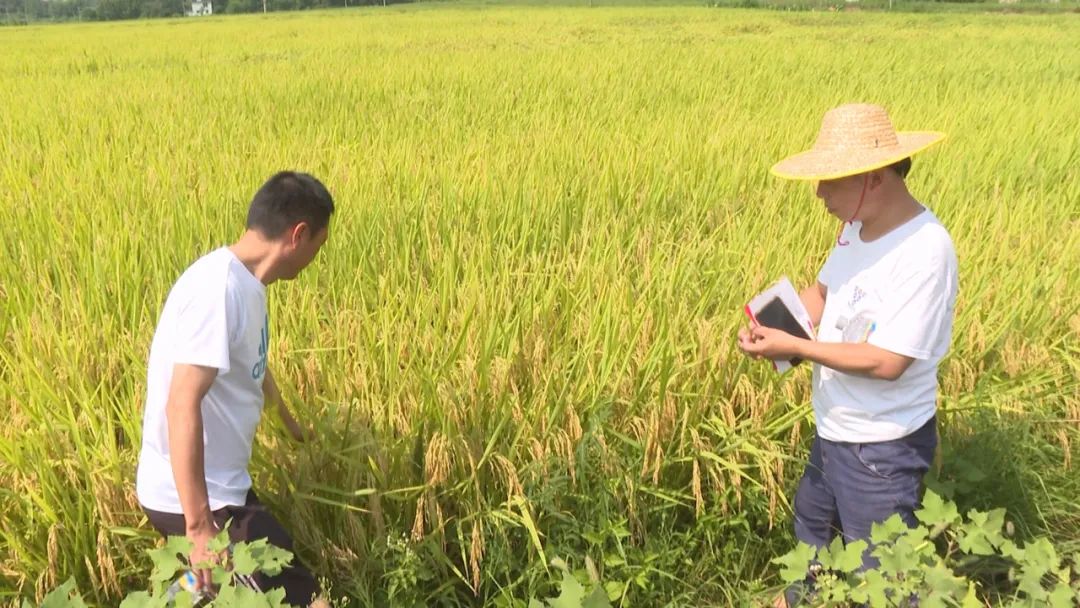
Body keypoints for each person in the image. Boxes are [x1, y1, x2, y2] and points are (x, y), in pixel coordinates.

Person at [737, 104, 958, 606]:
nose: (819, 194)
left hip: (881, 446)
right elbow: (822, 294)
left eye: (830, 181)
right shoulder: (857, 228)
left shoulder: (925, 250)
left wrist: (795, 347)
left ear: (875, 178)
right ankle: (801, 599)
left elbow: (888, 362)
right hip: (835, 429)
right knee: (813, 529)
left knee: (881, 574)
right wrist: (767, 327)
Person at [136, 171, 334, 607]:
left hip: (223, 486)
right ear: (298, 235)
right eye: (319, 246)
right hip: (197, 496)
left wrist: (290, 424)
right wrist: (199, 526)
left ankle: (182, 595)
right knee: (307, 601)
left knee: (217, 582)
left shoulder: (248, 284)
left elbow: (254, 365)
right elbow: (181, 404)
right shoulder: (218, 291)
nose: (316, 258)